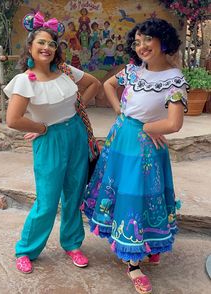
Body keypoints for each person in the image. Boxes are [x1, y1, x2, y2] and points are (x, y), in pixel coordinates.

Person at [83, 18, 188, 294]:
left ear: (163, 41)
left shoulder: (174, 79)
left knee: (142, 195)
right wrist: (119, 109)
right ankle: (133, 262)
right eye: (137, 41)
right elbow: (107, 85)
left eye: (147, 40)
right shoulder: (133, 70)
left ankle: (146, 244)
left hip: (145, 147)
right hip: (121, 139)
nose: (141, 46)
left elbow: (174, 124)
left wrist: (151, 127)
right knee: (126, 193)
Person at [3, 11, 100, 274]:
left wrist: (79, 103)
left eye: (52, 43)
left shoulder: (66, 71)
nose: (47, 48)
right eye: (41, 43)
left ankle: (72, 244)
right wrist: (41, 127)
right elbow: (13, 119)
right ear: (31, 48)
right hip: (50, 140)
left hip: (76, 134)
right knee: (47, 200)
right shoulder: (24, 80)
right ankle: (26, 249)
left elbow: (94, 83)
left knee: (74, 194)